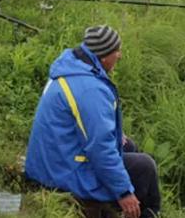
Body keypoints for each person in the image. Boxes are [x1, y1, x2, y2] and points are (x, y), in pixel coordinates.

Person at [25, 26, 161, 218]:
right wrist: (124, 192)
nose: (120, 56)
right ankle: (143, 212)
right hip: (59, 173)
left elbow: (82, 122)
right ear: (104, 57)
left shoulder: (72, 65)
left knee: (128, 146)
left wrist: (114, 135)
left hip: (52, 158)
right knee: (145, 167)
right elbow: (100, 148)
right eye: (116, 51)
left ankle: (125, 208)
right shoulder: (90, 90)